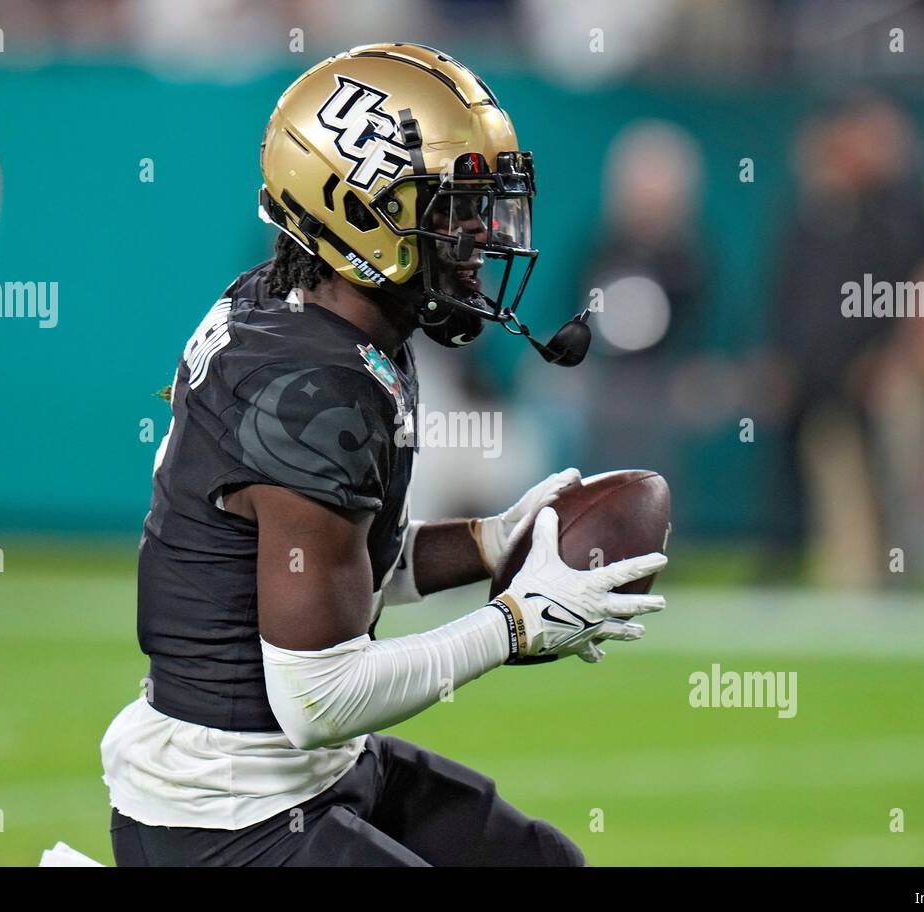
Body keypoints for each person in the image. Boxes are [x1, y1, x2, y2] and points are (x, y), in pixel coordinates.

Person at [101, 43, 668, 867]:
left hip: (307, 775)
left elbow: (334, 558)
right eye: (451, 207)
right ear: (357, 211)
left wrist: (492, 540)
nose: (482, 234)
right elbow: (318, 697)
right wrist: (514, 626)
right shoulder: (309, 388)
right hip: (226, 815)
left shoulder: (330, 316)